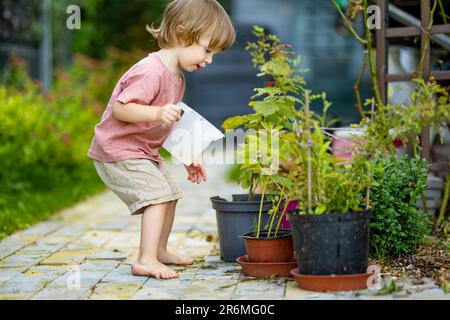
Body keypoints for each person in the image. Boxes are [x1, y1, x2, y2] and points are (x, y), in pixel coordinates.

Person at [87, 0, 235, 279]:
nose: (209, 60)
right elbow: (122, 108)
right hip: (118, 150)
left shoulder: (177, 78)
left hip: (141, 150)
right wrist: (156, 112)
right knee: (157, 197)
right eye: (207, 49)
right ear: (181, 34)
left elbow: (168, 124)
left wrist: (187, 156)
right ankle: (146, 259)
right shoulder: (150, 70)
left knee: (171, 194)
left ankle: (160, 250)